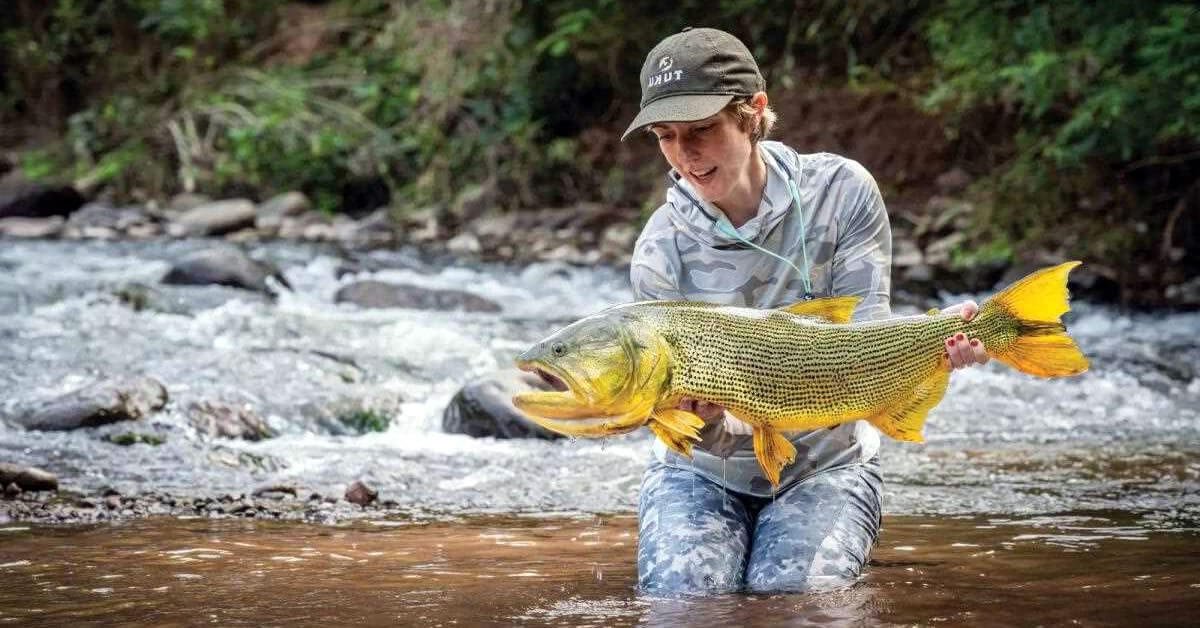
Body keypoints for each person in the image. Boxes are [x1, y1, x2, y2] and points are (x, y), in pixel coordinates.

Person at [622, 27, 987, 595]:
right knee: (686, 602)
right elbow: (687, 434)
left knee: (794, 602)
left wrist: (933, 352)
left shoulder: (842, 192)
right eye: (666, 136)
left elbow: (869, 340)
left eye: (701, 131)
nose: (685, 155)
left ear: (753, 112)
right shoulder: (658, 248)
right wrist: (708, 419)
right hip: (702, 474)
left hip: (828, 466)